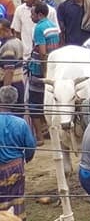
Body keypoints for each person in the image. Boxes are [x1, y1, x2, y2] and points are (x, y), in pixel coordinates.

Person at [0, 86, 35, 215]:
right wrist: (25, 160)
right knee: (17, 202)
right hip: (15, 167)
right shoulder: (21, 123)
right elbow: (30, 147)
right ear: (15, 102)